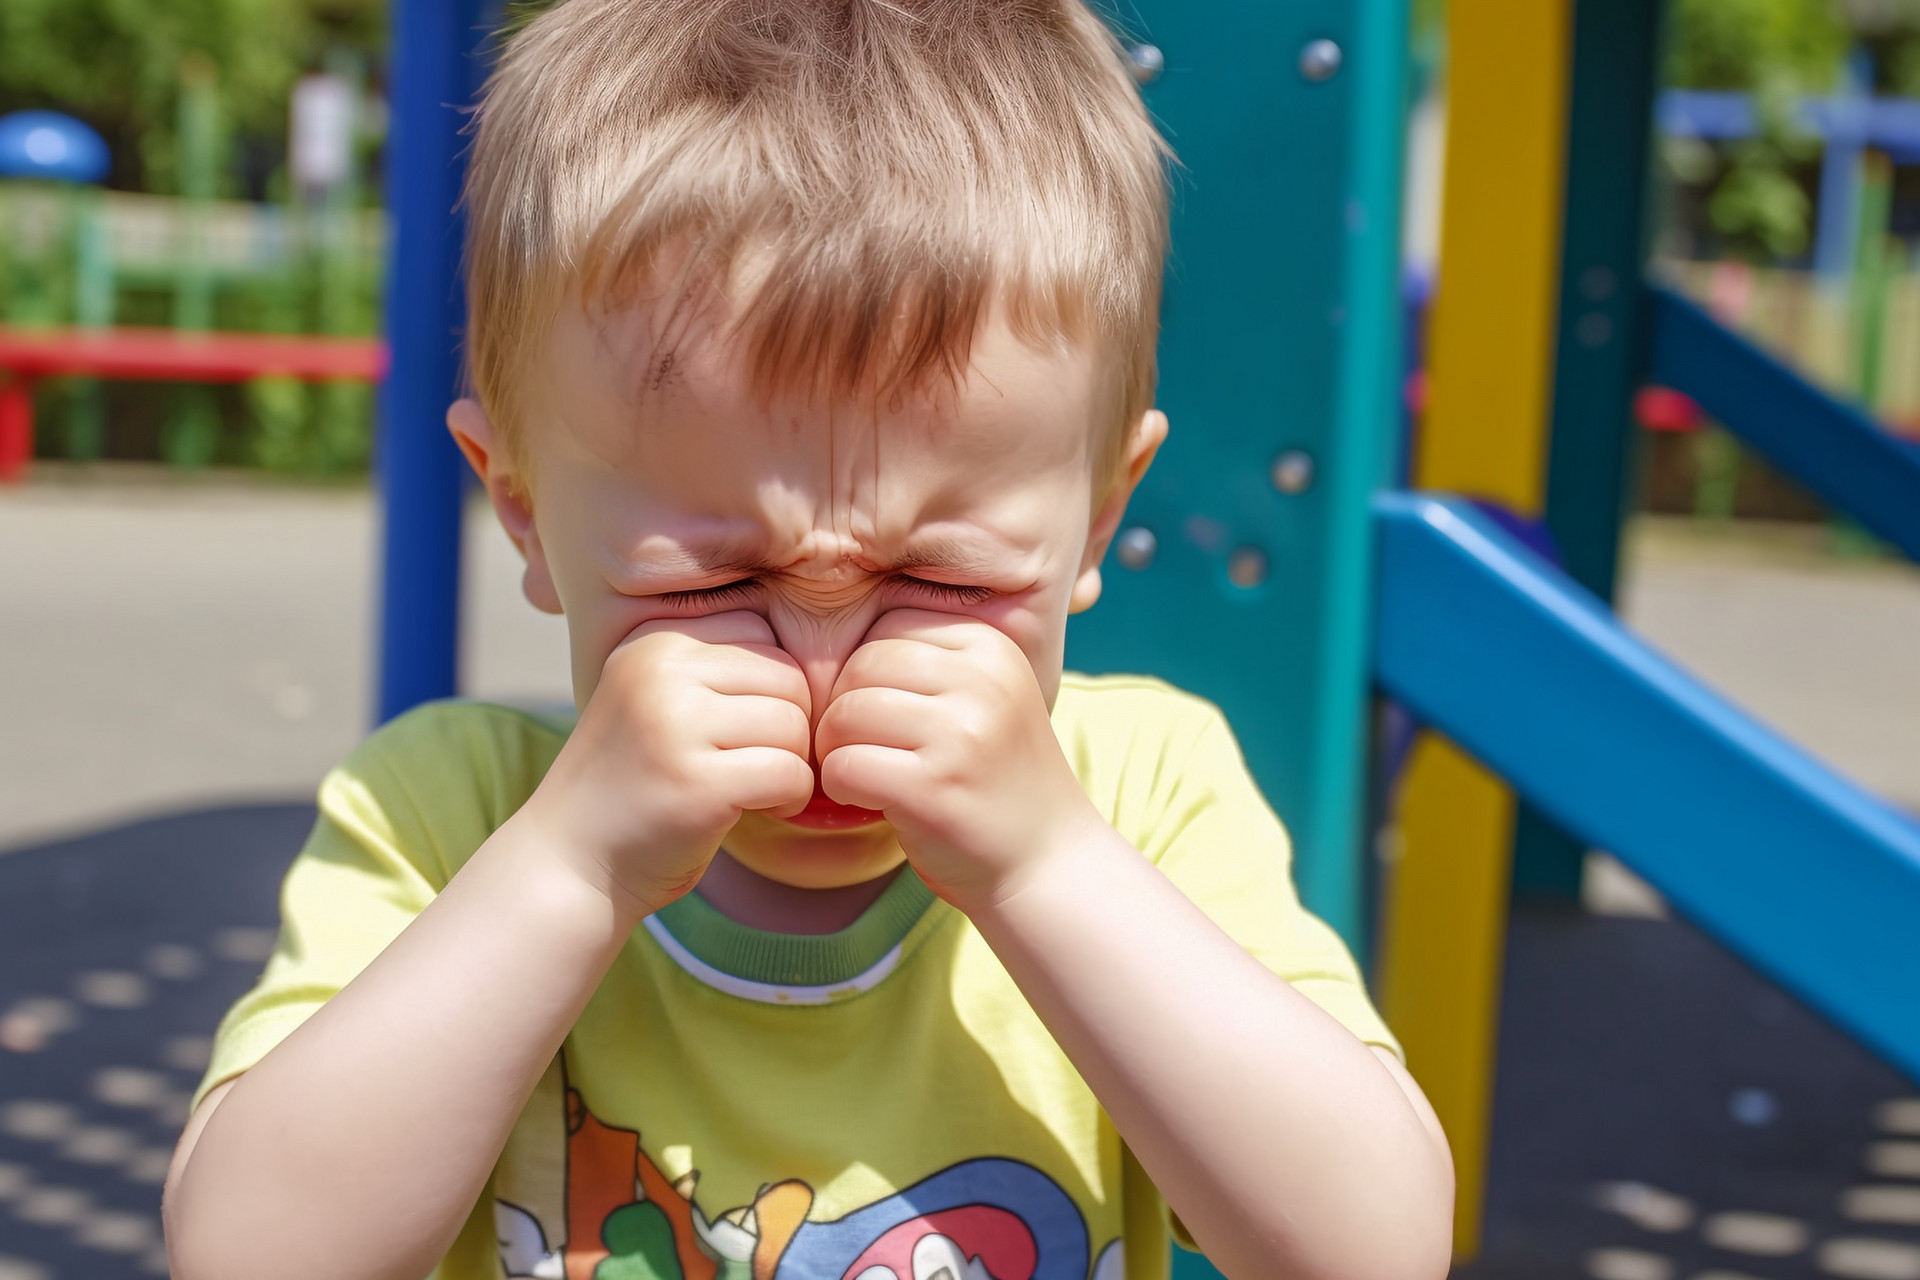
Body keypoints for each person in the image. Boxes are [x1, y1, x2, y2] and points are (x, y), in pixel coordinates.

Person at [161, 2, 1454, 1277]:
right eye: (708, 582)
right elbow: (249, 1250)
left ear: (1098, 521)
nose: (826, 671)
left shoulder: (1143, 796)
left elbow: (1372, 1244)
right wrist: (570, 872)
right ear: (526, 511)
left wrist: (1046, 870)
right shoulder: (450, 818)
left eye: (940, 579)